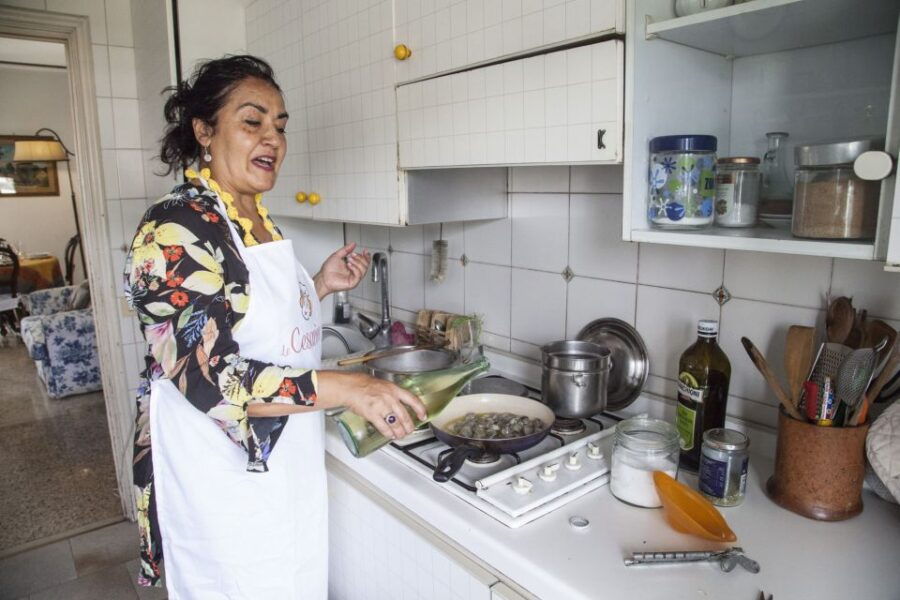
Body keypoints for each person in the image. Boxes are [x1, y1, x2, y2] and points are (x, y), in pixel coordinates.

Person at [124, 55, 426, 598]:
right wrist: (350, 387)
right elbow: (208, 376)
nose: (273, 138)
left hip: (285, 456)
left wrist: (319, 284)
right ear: (204, 130)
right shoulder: (172, 227)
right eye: (252, 120)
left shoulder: (255, 216)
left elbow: (251, 316)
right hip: (218, 470)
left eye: (281, 126)